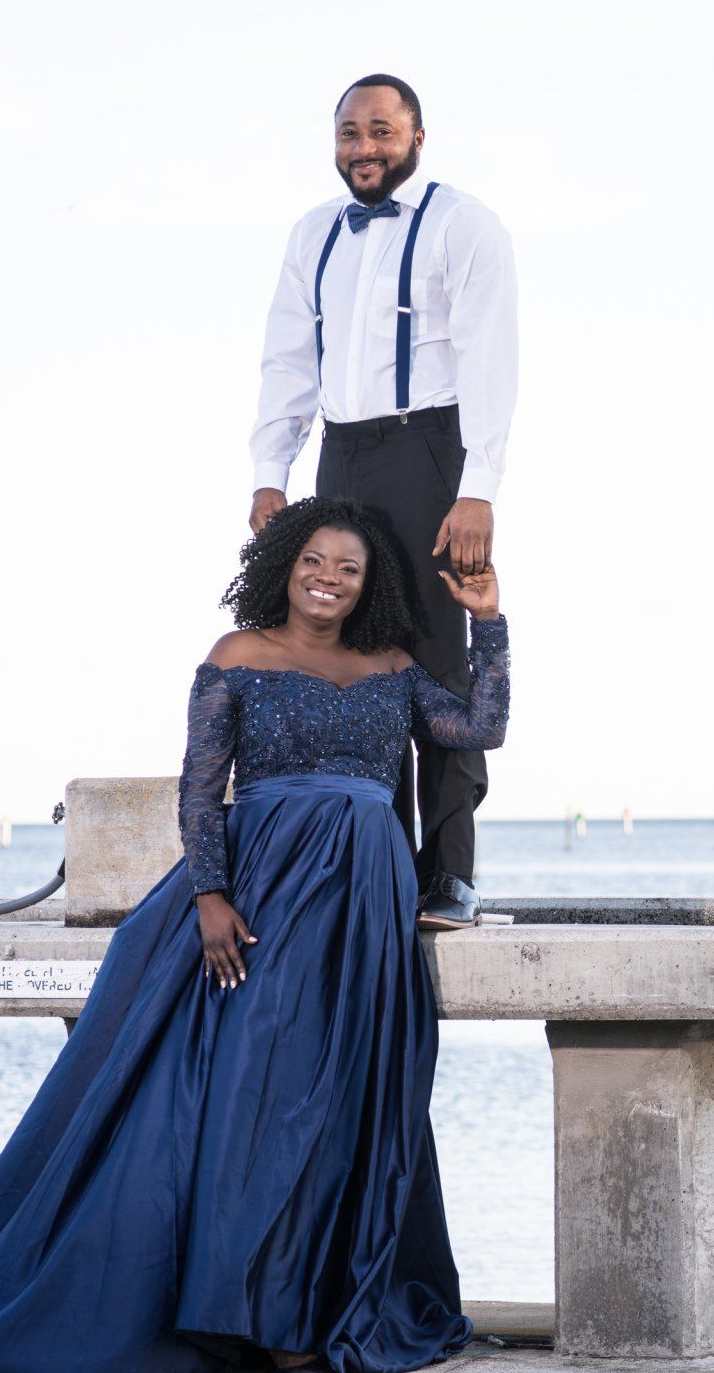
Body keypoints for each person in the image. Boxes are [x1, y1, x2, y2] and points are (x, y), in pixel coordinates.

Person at [0, 497, 510, 1373]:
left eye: (349, 569)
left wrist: (487, 626)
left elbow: (477, 729)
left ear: (367, 584)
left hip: (365, 905)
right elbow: (201, 786)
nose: (328, 579)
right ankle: (246, 1312)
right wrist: (210, 896)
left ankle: (301, 1311)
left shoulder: (394, 664)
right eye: (314, 561)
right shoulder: (238, 656)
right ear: (285, 565)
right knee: (260, 1099)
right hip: (267, 894)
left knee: (341, 1106)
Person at [250, 72, 517, 927]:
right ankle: (379, 867)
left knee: (437, 664)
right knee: (356, 664)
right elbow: (287, 358)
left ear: (417, 137)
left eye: (381, 132)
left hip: (432, 449)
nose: (364, 148)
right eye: (350, 134)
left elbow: (490, 363)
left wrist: (478, 488)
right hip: (342, 454)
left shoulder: (464, 225)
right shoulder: (313, 232)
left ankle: (452, 878)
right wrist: (270, 472)